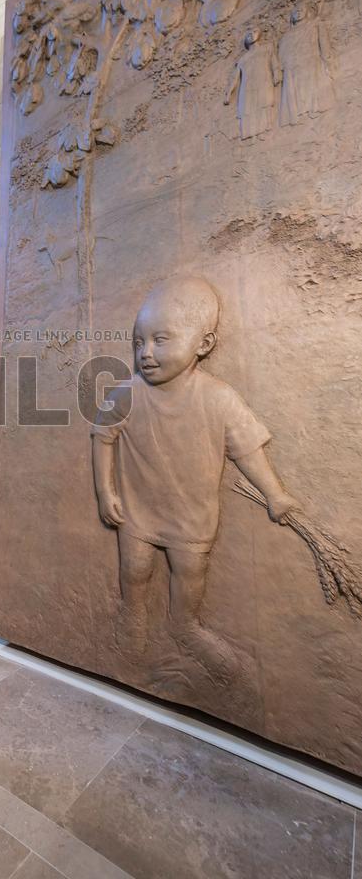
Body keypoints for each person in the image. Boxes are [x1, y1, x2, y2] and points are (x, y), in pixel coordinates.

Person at [91, 277, 300, 680]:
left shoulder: (218, 398)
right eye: (138, 342)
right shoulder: (125, 394)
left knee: (190, 574)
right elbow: (103, 437)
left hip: (192, 515)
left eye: (161, 340)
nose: (146, 353)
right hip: (137, 511)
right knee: (135, 570)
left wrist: (275, 494)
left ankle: (184, 626)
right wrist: (105, 491)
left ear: (203, 344)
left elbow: (247, 451)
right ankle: (133, 614)